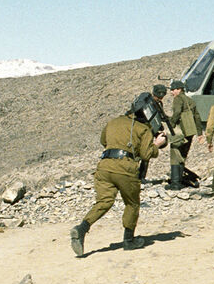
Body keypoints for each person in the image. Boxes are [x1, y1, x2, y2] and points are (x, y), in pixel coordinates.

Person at [70, 98, 167, 257]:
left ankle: (81, 229)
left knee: (104, 201)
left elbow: (103, 141)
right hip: (125, 169)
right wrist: (157, 144)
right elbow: (146, 154)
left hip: (104, 166)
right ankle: (129, 240)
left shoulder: (113, 122)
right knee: (132, 203)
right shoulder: (143, 128)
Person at [166, 79, 203, 190]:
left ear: (179, 89)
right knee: (183, 155)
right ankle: (180, 180)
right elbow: (197, 116)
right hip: (189, 131)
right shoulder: (190, 100)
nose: (171, 92)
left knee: (175, 153)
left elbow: (177, 113)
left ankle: (175, 183)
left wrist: (171, 124)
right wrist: (199, 133)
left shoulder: (178, 99)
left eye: (173, 90)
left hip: (181, 131)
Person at [137, 83, 168, 181]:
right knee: (138, 153)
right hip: (141, 130)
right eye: (158, 96)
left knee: (146, 154)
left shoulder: (158, 104)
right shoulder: (145, 103)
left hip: (149, 131)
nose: (159, 99)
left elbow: (158, 117)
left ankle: (141, 177)